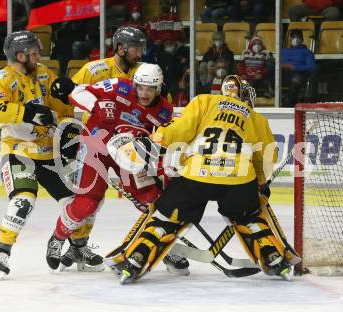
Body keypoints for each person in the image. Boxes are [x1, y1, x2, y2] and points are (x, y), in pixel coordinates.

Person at [106, 75, 297, 284]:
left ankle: (138, 256)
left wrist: (146, 144)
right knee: (250, 215)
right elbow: (268, 159)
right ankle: (273, 256)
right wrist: (260, 183)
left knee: (166, 216)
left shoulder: (204, 101)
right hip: (239, 180)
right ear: (243, 94)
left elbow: (177, 130)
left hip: (197, 175)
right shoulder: (256, 118)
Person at [64, 26, 190, 274]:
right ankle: (77, 245)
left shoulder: (143, 73)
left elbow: (161, 122)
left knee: (151, 198)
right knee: (91, 201)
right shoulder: (96, 69)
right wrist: (69, 127)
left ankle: (162, 246)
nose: (140, 52)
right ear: (121, 47)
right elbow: (71, 92)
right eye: (136, 48)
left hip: (130, 153)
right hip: (98, 146)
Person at [0, 30, 77, 280]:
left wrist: (66, 102)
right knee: (23, 200)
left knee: (74, 203)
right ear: (20, 55)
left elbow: (62, 109)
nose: (39, 56)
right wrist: (29, 113)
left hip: (48, 152)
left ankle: (78, 249)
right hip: (18, 151)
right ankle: (0, 253)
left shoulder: (45, 74)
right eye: (34, 52)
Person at [281, 29, 316, 108]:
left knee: (295, 79)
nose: (296, 39)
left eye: (298, 37)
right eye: (293, 37)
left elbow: (311, 67)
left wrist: (293, 67)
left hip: (299, 74)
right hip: (282, 73)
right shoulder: (284, 51)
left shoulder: (307, 52)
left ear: (302, 39)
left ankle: (288, 105)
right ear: (290, 39)